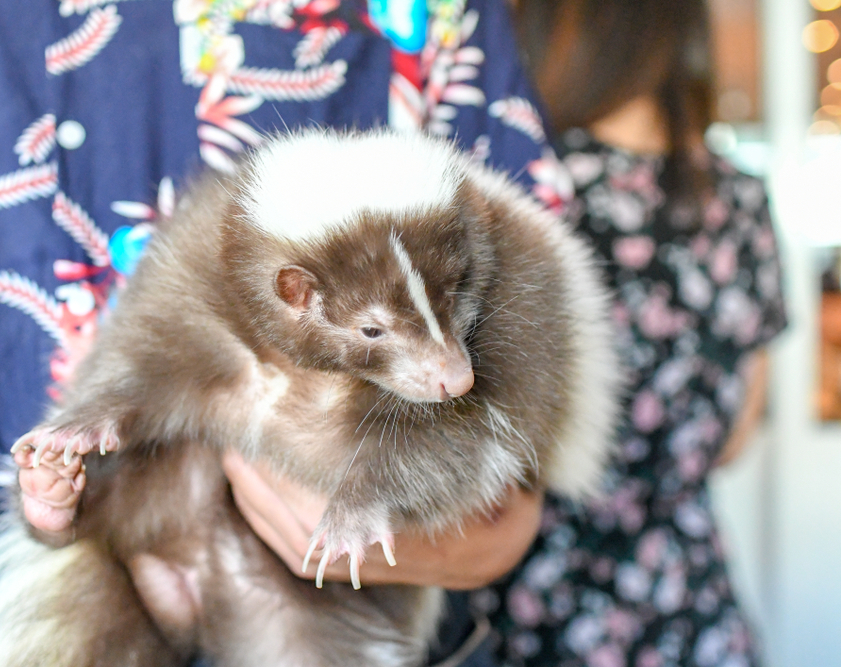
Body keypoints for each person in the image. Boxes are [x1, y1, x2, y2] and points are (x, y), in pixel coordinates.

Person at [0, 0, 558, 664]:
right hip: (2, 585)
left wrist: (450, 511)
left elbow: (517, 417)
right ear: (295, 293)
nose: (450, 368)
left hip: (326, 592)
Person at [222, 0, 788, 665]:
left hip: (527, 597)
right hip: (691, 608)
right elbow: (738, 432)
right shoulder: (742, 201)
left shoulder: (517, 195)